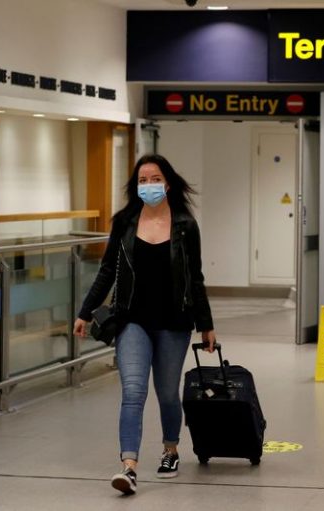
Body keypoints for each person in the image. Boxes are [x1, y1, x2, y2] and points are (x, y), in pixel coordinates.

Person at [73, 154, 216, 496]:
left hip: (173, 322)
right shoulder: (125, 222)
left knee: (167, 393)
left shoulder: (185, 225)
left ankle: (170, 450)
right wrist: (85, 311)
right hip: (131, 320)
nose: (148, 185)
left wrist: (206, 323)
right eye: (142, 180)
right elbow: (107, 270)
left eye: (154, 179)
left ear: (167, 183)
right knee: (133, 391)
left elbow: (195, 277)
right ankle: (129, 467)